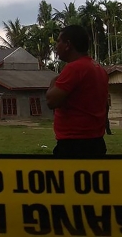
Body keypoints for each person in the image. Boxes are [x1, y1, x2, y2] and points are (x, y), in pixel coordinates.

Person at [46, 25, 109, 158]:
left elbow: (51, 101)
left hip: (75, 145)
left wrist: (53, 81)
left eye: (59, 41)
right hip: (96, 141)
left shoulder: (75, 68)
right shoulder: (97, 67)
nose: (56, 46)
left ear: (68, 44)